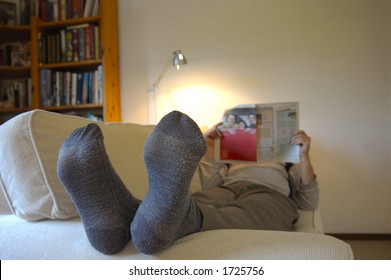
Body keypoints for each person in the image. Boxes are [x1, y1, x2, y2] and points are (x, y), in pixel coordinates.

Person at [57, 110, 318, 256]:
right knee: (194, 201)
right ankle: (123, 220)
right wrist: (210, 145)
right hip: (224, 188)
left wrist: (304, 156)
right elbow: (204, 179)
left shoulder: (288, 164)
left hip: (269, 195)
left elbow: (308, 200)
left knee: (242, 212)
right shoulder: (231, 161)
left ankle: (116, 226)